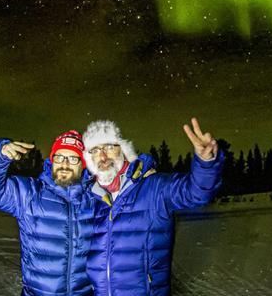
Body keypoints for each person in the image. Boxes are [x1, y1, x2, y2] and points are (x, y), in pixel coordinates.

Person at [82, 118, 224, 296]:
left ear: (124, 149)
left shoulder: (154, 188)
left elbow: (196, 192)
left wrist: (205, 163)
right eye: (95, 150)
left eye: (109, 147)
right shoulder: (89, 199)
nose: (102, 156)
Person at [0, 130, 96, 296]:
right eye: (59, 157)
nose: (64, 164)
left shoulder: (95, 199)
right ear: (51, 161)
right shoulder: (31, 194)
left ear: (83, 164)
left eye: (73, 158)